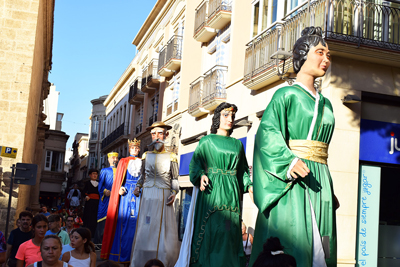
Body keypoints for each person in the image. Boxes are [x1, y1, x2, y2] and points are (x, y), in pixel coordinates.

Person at [250, 26, 338, 267]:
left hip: (320, 176)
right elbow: (267, 134)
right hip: (293, 178)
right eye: (320, 52)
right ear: (302, 54)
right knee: (296, 241)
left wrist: (329, 186)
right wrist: (288, 162)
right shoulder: (285, 95)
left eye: (328, 55)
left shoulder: (327, 104)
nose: (326, 59)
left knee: (323, 244)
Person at [178, 102, 253, 267]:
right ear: (218, 118)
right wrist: (201, 176)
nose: (230, 119)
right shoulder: (206, 141)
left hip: (232, 193)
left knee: (229, 231)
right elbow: (195, 165)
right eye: (226, 115)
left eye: (232, 116)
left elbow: (242, 171)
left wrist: (249, 185)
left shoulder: (238, 144)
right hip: (212, 192)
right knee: (212, 231)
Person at [131, 121, 180, 267]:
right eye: (153, 134)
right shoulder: (146, 155)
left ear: (166, 135)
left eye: (160, 133)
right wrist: (138, 187)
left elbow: (175, 178)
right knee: (145, 226)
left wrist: (174, 192)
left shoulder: (172, 157)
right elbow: (142, 176)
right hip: (147, 195)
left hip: (163, 195)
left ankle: (162, 261)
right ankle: (141, 261)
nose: (156, 137)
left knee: (162, 227)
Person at [100, 141, 141, 266]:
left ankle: (137, 255)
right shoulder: (123, 161)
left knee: (138, 222)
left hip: (139, 193)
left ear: (139, 149)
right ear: (129, 149)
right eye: (132, 148)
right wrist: (119, 188)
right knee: (124, 222)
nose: (134, 150)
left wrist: (141, 188)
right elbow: (119, 179)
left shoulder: (143, 161)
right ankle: (122, 255)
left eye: (136, 148)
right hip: (126, 193)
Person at [94, 152, 118, 245]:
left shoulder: (121, 171)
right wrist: (105, 191)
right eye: (112, 158)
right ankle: (99, 242)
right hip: (106, 199)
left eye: (116, 158)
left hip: (117, 198)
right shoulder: (104, 170)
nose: (114, 159)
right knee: (103, 220)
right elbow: (100, 185)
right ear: (109, 159)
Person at [82, 169, 100, 237]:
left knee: (95, 218)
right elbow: (83, 192)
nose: (95, 175)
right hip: (89, 203)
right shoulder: (87, 183)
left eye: (96, 174)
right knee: (88, 218)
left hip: (97, 203)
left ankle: (94, 234)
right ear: (90, 175)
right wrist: (86, 196)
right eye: (93, 173)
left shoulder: (99, 183)